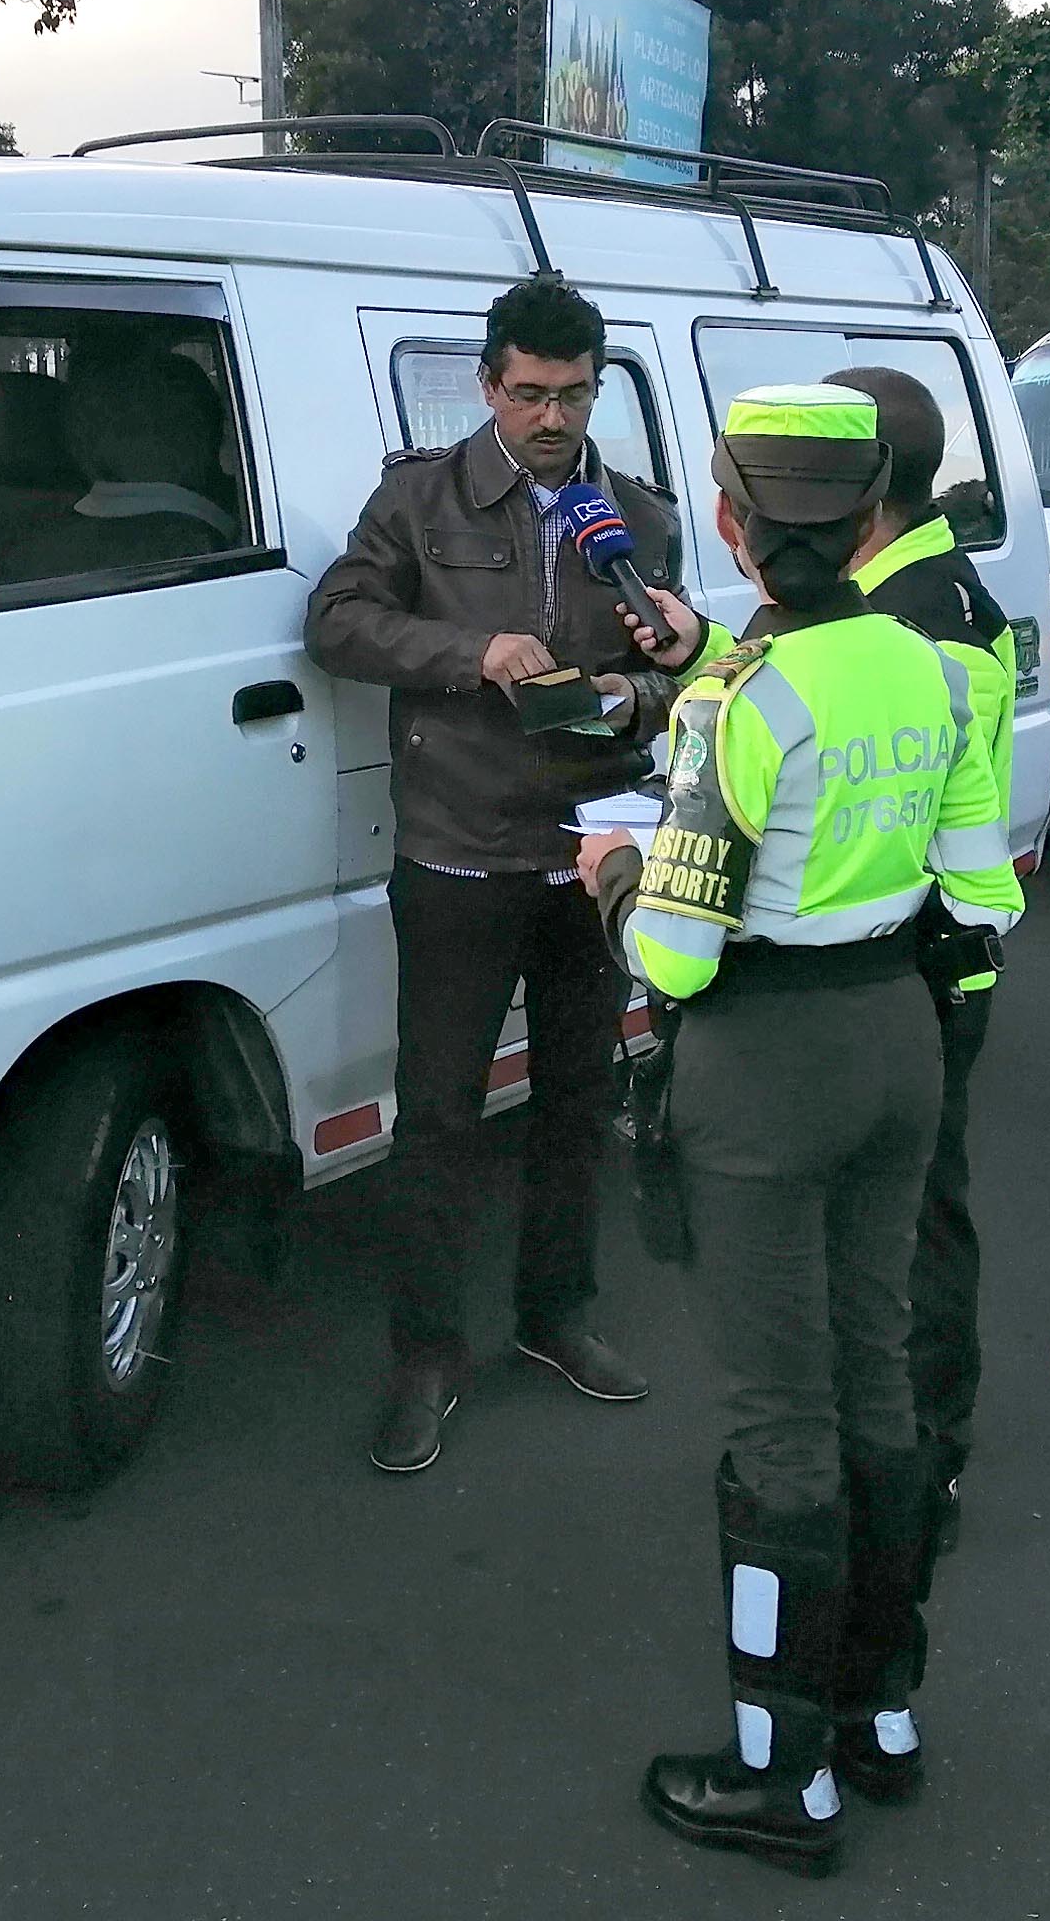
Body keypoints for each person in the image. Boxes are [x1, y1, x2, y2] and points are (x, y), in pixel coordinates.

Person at [579, 383, 1023, 1875]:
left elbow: (682, 959)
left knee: (780, 1417)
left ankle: (782, 1776)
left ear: (732, 521)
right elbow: (984, 888)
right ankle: (880, 1715)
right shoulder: (944, 671)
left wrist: (621, 876)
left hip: (766, 1069)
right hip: (898, 1042)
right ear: (876, 505)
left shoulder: (742, 703)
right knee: (879, 1375)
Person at [305, 276, 681, 1473]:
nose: (551, 418)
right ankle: (427, 1359)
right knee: (442, 1117)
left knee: (580, 1101)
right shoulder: (419, 498)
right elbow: (338, 621)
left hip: (591, 853)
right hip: (459, 851)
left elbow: (687, 669)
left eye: (573, 395)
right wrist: (472, 653)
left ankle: (555, 1317)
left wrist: (643, 683)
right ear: (488, 385)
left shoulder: (639, 518)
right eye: (529, 394)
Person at [820, 364, 1020, 1554]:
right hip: (931, 956)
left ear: (866, 485)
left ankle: (926, 1458)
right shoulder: (923, 593)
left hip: (919, 963)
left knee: (915, 1222)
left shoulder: (920, 622)